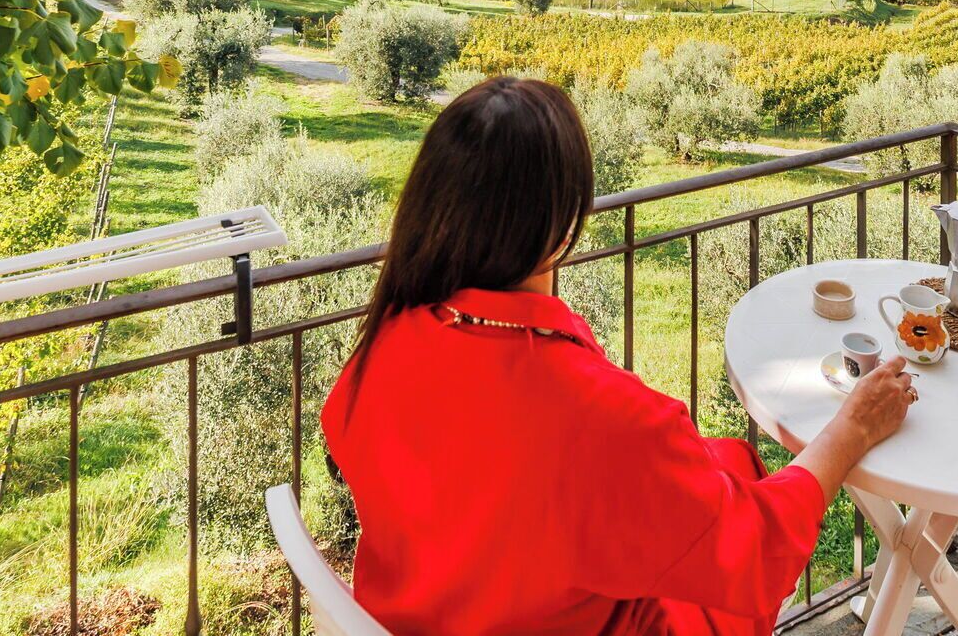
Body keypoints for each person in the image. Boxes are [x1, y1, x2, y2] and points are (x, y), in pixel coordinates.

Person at [321, 76, 916, 636]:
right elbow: (758, 552)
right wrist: (852, 427)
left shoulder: (387, 344)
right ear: (562, 229)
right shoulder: (603, 418)